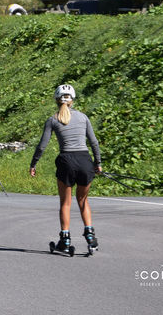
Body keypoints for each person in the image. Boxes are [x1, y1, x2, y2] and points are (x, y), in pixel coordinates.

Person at [30, 84, 102, 254]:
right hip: (85, 160)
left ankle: (65, 239)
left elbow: (42, 146)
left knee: (66, 203)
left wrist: (33, 163)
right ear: (73, 100)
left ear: (57, 100)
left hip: (66, 161)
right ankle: (90, 236)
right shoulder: (83, 117)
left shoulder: (53, 119)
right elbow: (94, 142)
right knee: (83, 200)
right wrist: (97, 163)